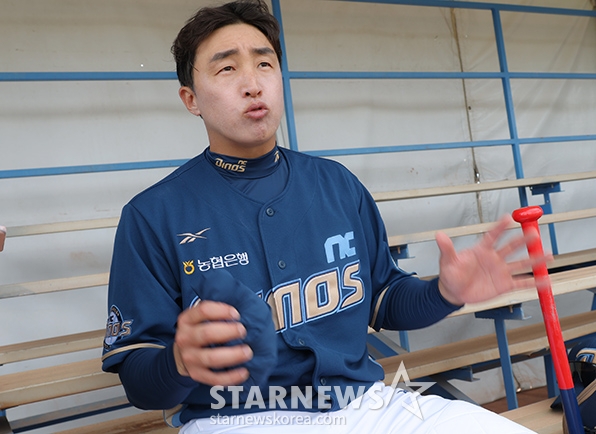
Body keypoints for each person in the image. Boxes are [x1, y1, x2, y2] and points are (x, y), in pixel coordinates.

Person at [101, 1, 542, 433]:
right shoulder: (153, 214)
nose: (253, 84)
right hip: (235, 416)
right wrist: (178, 362)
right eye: (227, 68)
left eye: (264, 64)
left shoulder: (336, 184)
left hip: (364, 405)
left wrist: (444, 293)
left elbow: (384, 299)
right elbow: (139, 378)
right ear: (191, 99)